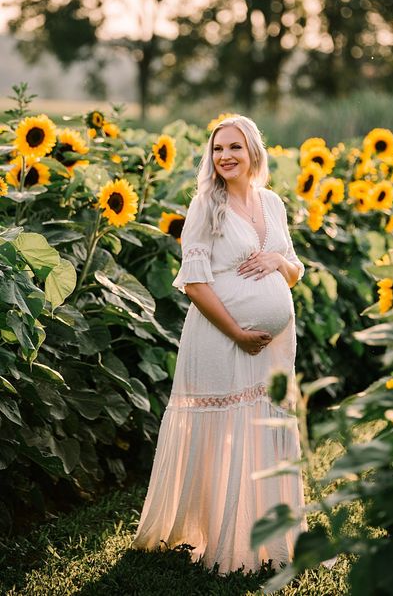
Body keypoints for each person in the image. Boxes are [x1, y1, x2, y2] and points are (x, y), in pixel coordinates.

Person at [131, 114, 307, 574]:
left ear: (253, 152)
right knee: (225, 431)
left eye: (234, 147)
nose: (225, 156)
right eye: (217, 149)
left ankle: (266, 534)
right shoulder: (206, 205)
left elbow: (294, 269)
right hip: (220, 338)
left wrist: (277, 261)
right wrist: (237, 332)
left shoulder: (272, 204)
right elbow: (193, 282)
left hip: (271, 348)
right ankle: (218, 539)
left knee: (261, 429)